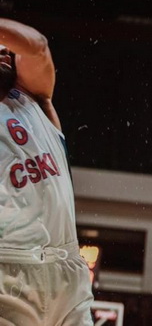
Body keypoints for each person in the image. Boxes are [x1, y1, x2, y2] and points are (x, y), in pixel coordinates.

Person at [0, 19, 93, 324]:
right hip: (7, 270)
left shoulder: (36, 97)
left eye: (6, 47)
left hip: (67, 270)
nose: (4, 50)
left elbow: (37, 45)